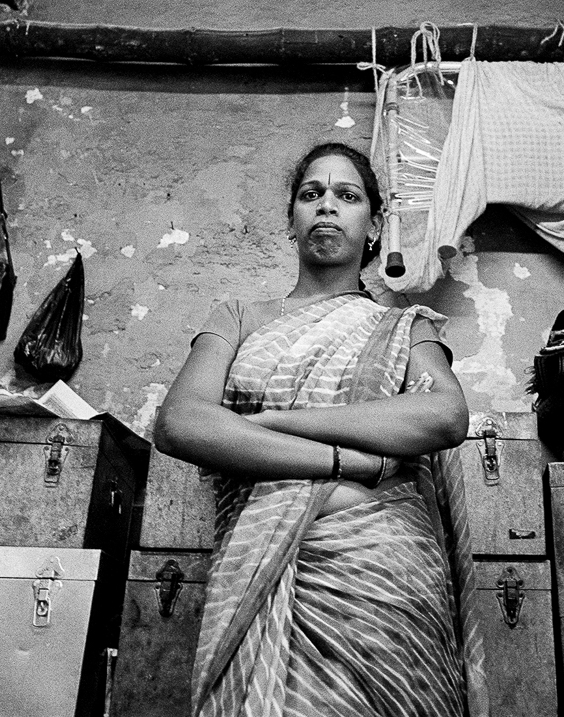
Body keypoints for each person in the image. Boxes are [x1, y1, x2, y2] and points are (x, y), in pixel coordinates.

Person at [154, 142, 489, 717]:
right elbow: (181, 423)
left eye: (347, 196)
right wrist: (345, 462)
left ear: (375, 225)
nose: (327, 205)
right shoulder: (239, 316)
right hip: (259, 563)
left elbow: (443, 416)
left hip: (385, 577)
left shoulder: (402, 326)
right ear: (292, 220)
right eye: (311, 194)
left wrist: (276, 422)